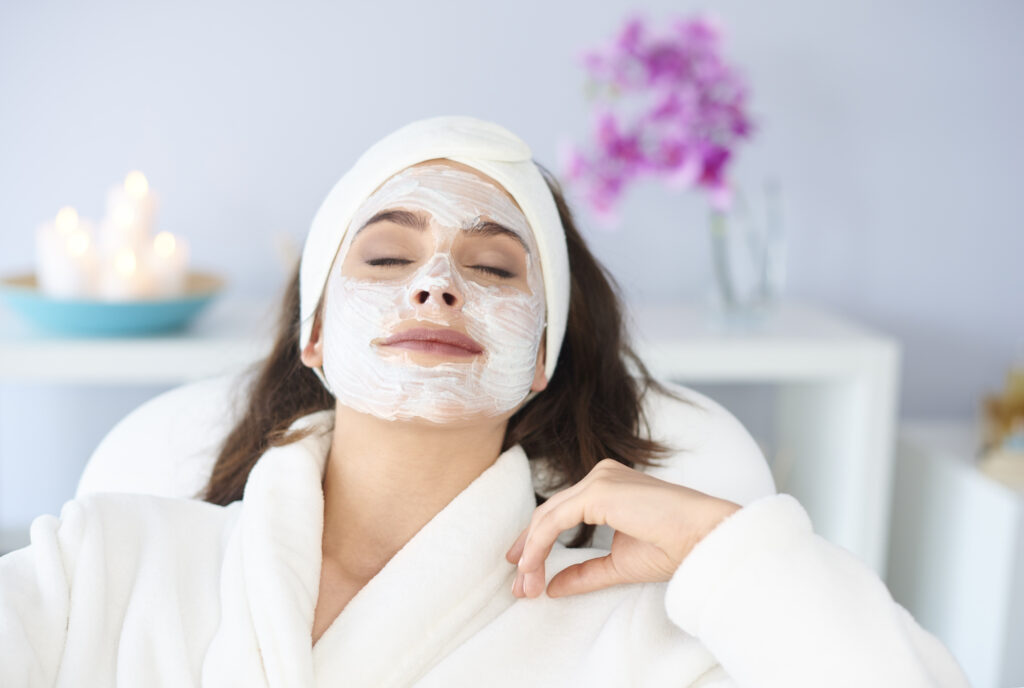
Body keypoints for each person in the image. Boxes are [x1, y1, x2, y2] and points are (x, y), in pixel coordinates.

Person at [0, 116, 969, 687]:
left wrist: (730, 548)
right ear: (315, 335)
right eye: (388, 256)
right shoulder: (108, 561)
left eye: (493, 268)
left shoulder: (639, 633)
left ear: (541, 356)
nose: (435, 284)